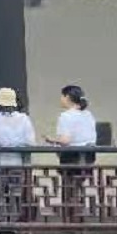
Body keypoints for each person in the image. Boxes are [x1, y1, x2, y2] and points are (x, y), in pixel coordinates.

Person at [45, 85, 98, 220]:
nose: (60, 99)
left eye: (62, 96)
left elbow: (65, 140)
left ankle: (71, 220)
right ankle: (80, 218)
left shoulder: (66, 116)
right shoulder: (88, 114)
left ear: (67, 97)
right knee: (78, 189)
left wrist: (52, 140)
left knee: (69, 190)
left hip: (72, 158)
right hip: (88, 158)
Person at [0, 89, 36, 166]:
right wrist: (14, 143)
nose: (6, 107)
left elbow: (30, 141)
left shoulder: (23, 118)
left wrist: (7, 143)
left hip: (19, 162)